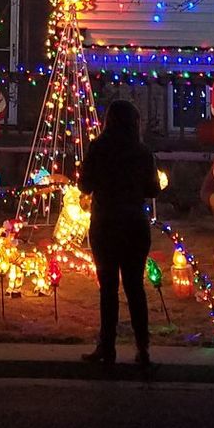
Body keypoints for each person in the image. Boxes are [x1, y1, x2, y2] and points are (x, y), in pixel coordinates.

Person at [78, 98, 160, 370]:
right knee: (135, 287)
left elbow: (85, 184)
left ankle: (107, 346)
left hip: (107, 223)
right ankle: (142, 347)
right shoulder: (142, 152)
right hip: (135, 223)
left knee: (108, 287)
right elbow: (153, 190)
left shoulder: (100, 148)